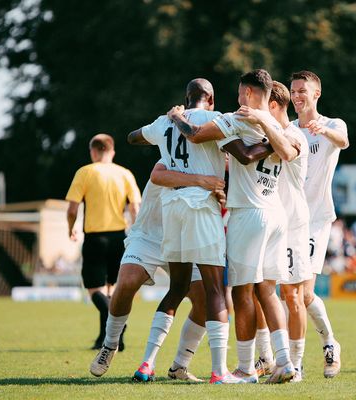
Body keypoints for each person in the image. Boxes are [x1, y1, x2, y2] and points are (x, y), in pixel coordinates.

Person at [168, 69, 296, 384]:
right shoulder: (284, 127)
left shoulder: (235, 119)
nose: (237, 99)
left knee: (241, 292)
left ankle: (245, 367)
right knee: (268, 290)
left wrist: (176, 118)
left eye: (241, 93)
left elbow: (196, 134)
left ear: (250, 93)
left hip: (249, 213)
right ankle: (285, 363)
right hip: (276, 213)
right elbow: (288, 153)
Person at [125, 78, 246, 384]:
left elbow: (133, 137)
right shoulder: (215, 120)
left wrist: (166, 121)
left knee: (176, 289)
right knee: (215, 290)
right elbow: (242, 152)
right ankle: (219, 371)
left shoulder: (164, 121)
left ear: (187, 98)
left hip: (172, 209)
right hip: (200, 209)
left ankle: (147, 364)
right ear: (212, 99)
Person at [89, 159, 224, 382]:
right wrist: (202, 181)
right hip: (149, 236)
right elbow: (158, 174)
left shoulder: (213, 163)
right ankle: (110, 344)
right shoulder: (171, 155)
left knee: (204, 300)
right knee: (127, 282)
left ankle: (179, 366)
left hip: (185, 238)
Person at [235, 80, 310, 382]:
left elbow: (286, 152)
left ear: (272, 106)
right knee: (264, 292)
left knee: (293, 296)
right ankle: (275, 360)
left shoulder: (293, 135)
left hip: (290, 223)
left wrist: (260, 120)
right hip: (274, 217)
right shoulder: (266, 131)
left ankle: (294, 362)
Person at [290, 70, 349, 378]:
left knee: (302, 291)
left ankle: (318, 351)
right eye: (293, 91)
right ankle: (278, 358)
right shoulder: (286, 129)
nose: (297, 95)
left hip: (316, 221)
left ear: (316, 94)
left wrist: (322, 132)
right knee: (293, 294)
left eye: (303, 90)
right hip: (288, 221)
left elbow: (344, 140)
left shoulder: (332, 124)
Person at [66, 134, 141, 349]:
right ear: (112, 151)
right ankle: (108, 340)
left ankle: (114, 320)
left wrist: (70, 228)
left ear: (93, 151)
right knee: (112, 290)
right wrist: (135, 232)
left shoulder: (85, 172)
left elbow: (72, 208)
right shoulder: (124, 173)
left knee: (93, 288)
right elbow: (135, 207)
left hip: (95, 238)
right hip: (119, 237)